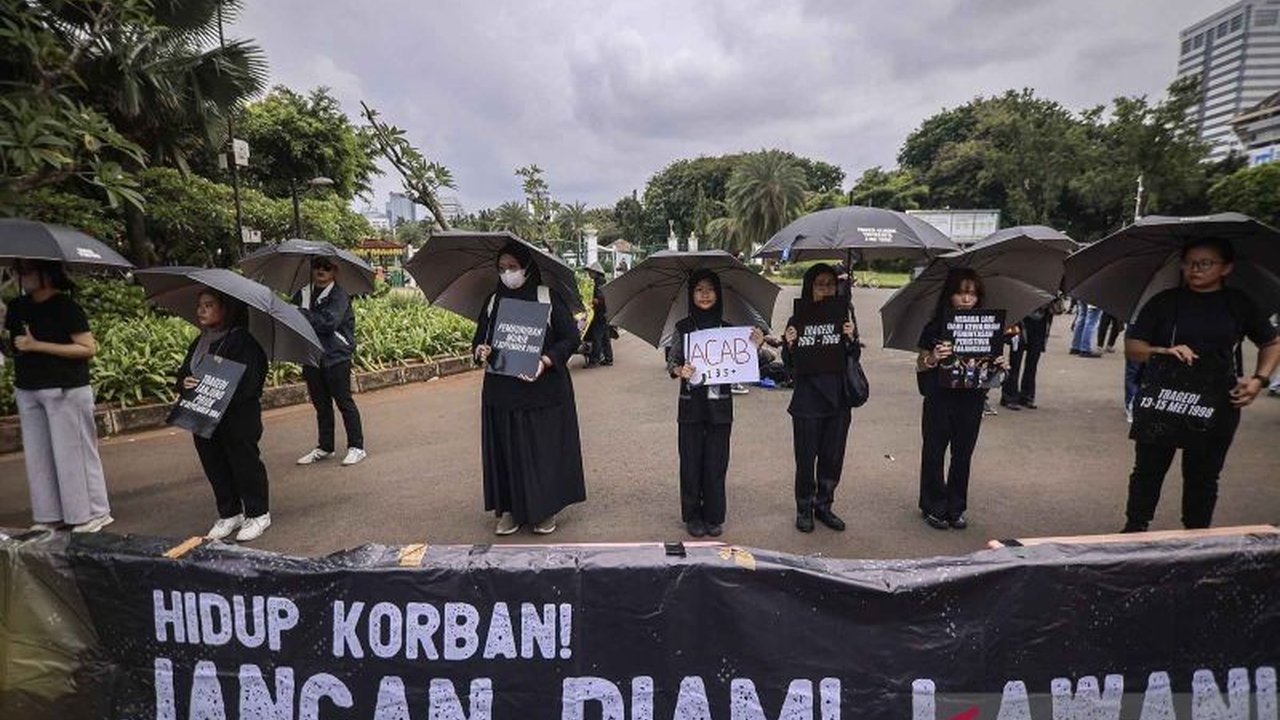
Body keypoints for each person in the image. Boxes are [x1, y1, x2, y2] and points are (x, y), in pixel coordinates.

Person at [1121, 238, 1279, 532]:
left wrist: (1259, 380)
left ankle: (1196, 536)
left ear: (1226, 268)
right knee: (1148, 470)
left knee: (1203, 476)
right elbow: (1133, 348)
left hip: (1217, 401)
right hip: (1163, 398)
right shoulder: (1164, 302)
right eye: (1189, 263)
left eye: (1205, 263)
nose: (1194, 269)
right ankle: (1135, 528)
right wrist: (1164, 351)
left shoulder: (1238, 304)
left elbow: (1272, 342)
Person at [472, 242, 586, 535]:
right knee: (506, 450)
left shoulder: (547, 297)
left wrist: (546, 360)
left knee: (541, 451)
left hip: (543, 392)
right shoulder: (493, 301)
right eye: (502, 268)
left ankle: (543, 510)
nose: (507, 273)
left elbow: (570, 338)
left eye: (513, 267)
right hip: (502, 393)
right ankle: (509, 509)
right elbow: (479, 341)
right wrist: (480, 351)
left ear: (527, 267)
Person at [2, 260, 112, 533]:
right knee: (39, 456)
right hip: (29, 387)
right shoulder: (18, 307)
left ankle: (92, 512)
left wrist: (37, 345)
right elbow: (13, 347)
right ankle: (50, 514)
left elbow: (87, 348)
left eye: (26, 271)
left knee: (73, 452)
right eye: (18, 271)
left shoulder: (66, 306)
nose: (20, 276)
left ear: (46, 274)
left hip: (66, 388)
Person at [667, 269, 764, 537]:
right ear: (691, 294)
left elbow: (748, 362)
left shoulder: (729, 330)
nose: (705, 294)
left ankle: (713, 515)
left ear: (718, 294)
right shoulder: (683, 328)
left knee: (716, 462)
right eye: (699, 289)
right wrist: (679, 371)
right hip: (690, 407)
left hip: (720, 408)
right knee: (690, 462)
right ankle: (692, 515)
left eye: (710, 289)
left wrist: (755, 344)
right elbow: (671, 362)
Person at [915, 268, 1006, 530]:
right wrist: (933, 357)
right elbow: (920, 365)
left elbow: (989, 372)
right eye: (961, 293)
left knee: (963, 454)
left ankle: (956, 506)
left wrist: (999, 365)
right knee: (934, 451)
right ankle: (932, 504)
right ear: (950, 295)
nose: (967, 299)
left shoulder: (988, 327)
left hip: (971, 399)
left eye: (973, 294)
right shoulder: (934, 326)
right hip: (939, 397)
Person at [178, 289, 271, 541]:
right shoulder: (201, 341)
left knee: (244, 464)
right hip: (204, 417)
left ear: (226, 310)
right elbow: (186, 372)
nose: (201, 310)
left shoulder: (243, 342)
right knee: (214, 464)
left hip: (237, 418)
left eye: (209, 305)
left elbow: (252, 381)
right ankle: (230, 512)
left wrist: (221, 385)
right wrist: (185, 382)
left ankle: (258, 513)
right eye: (200, 305)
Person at [781, 264, 858, 532]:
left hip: (838, 399)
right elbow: (788, 365)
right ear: (809, 288)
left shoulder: (845, 316)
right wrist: (789, 343)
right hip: (807, 402)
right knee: (805, 459)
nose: (825, 289)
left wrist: (851, 339)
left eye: (829, 284)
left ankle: (824, 505)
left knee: (832, 457)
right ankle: (804, 507)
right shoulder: (797, 319)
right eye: (819, 284)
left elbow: (853, 358)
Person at [293, 257, 366, 467]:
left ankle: (357, 447)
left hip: (336, 356)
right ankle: (325, 446)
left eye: (326, 267)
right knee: (321, 405)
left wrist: (302, 313)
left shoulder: (339, 295)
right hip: (311, 356)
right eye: (317, 266)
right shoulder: (303, 294)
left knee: (344, 402)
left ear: (334, 271)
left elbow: (329, 322)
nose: (321, 270)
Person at [1000, 306, 1051, 410]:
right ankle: (1009, 396)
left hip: (1040, 324)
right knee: (1015, 363)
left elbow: (1058, 309)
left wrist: (1053, 300)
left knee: (1032, 363)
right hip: (1020, 323)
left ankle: (1027, 396)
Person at [583, 264, 613, 367]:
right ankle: (608, 358)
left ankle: (594, 360)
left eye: (590, 272)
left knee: (597, 337)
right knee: (605, 338)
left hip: (600, 314)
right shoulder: (600, 281)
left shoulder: (599, 282)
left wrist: (593, 301)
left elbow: (600, 298)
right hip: (604, 313)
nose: (589, 274)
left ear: (595, 272)